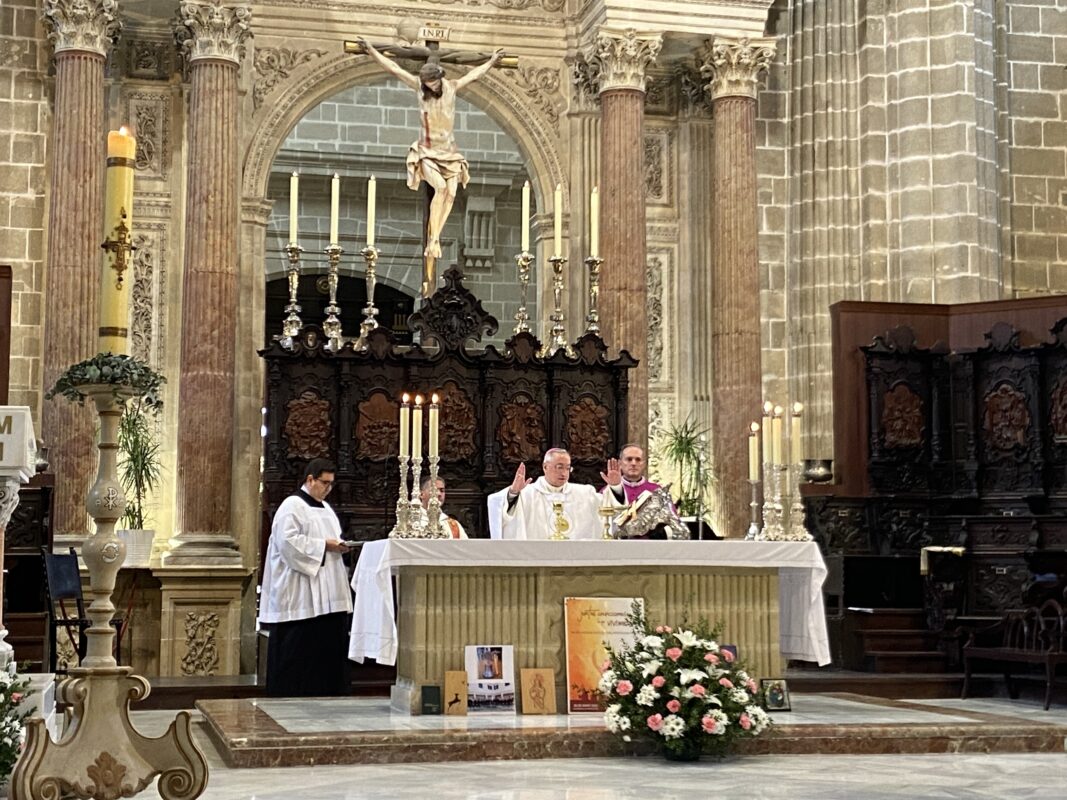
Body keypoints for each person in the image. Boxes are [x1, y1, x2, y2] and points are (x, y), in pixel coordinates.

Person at [357, 37, 504, 267]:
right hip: (427, 151)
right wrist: (372, 50)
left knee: (453, 194)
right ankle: (433, 240)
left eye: (433, 82)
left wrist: (493, 61)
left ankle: (435, 236)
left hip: (450, 152)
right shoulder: (418, 87)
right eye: (427, 83)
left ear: (439, 78)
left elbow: (474, 75)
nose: (430, 87)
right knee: (441, 188)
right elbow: (393, 67)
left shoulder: (452, 88)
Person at [259, 458, 353, 696]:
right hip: (300, 593)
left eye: (331, 484)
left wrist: (339, 546)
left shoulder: (327, 509)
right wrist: (324, 546)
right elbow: (288, 543)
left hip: (327, 592)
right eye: (325, 483)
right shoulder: (292, 506)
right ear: (310, 479)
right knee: (297, 651)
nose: (328, 489)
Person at [487, 448, 624, 540]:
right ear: (545, 467)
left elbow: (611, 510)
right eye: (559, 467)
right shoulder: (526, 494)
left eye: (567, 468)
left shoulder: (585, 493)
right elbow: (498, 505)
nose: (564, 473)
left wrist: (615, 486)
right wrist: (513, 492)